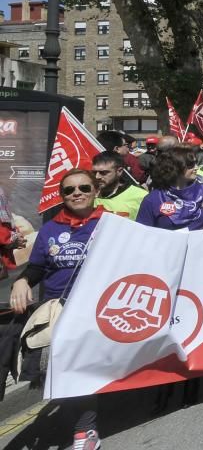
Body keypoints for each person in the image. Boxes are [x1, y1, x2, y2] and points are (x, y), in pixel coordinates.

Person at [10, 170, 104, 449]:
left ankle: (85, 431)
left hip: (96, 309)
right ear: (61, 196)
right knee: (66, 369)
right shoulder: (51, 228)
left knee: (79, 369)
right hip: (58, 310)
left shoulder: (112, 223)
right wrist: (23, 281)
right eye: (69, 190)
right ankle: (84, 422)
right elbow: (38, 266)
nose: (77, 193)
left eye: (83, 187)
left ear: (95, 191)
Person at [136, 145, 203, 232]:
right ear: (175, 168)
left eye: (196, 163)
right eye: (190, 165)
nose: (196, 168)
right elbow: (142, 234)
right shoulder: (153, 199)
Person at [92, 151, 148, 221]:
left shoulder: (141, 196)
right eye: (94, 172)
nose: (97, 177)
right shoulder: (86, 193)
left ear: (119, 171)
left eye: (103, 173)